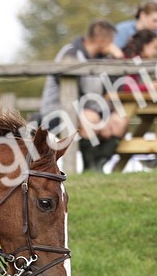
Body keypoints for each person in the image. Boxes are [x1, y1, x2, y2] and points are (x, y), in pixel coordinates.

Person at [38, 19, 128, 172]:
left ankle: (99, 168)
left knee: (120, 119)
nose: (114, 45)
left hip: (90, 110)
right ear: (101, 39)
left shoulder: (102, 58)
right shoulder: (71, 53)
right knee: (91, 118)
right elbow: (74, 95)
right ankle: (89, 169)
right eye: (111, 40)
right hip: (58, 113)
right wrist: (99, 116)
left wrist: (119, 59)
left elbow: (113, 88)